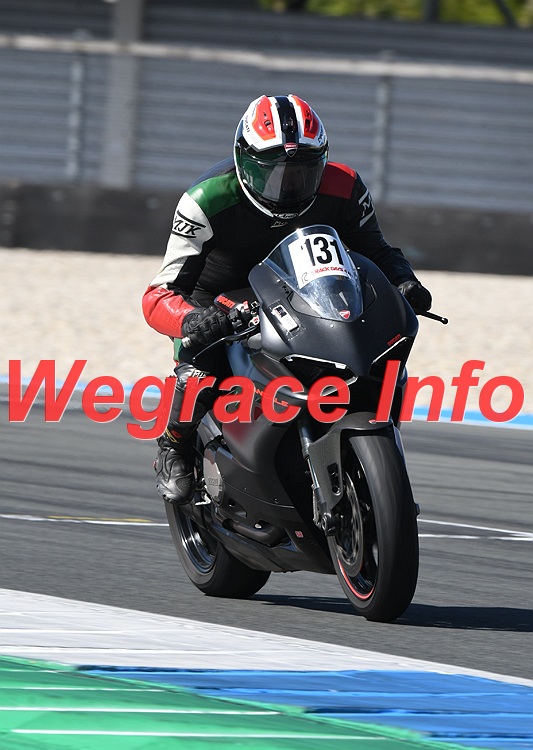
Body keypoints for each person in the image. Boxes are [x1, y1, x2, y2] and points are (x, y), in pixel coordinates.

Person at [143, 94, 432, 504]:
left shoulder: (345, 186)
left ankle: (377, 456)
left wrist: (403, 281)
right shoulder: (205, 201)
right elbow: (159, 293)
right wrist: (194, 320)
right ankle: (174, 444)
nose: (288, 187)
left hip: (305, 287)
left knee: (376, 348)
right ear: (243, 161)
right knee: (202, 371)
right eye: (272, 173)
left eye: (303, 172)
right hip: (222, 299)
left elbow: (378, 251)